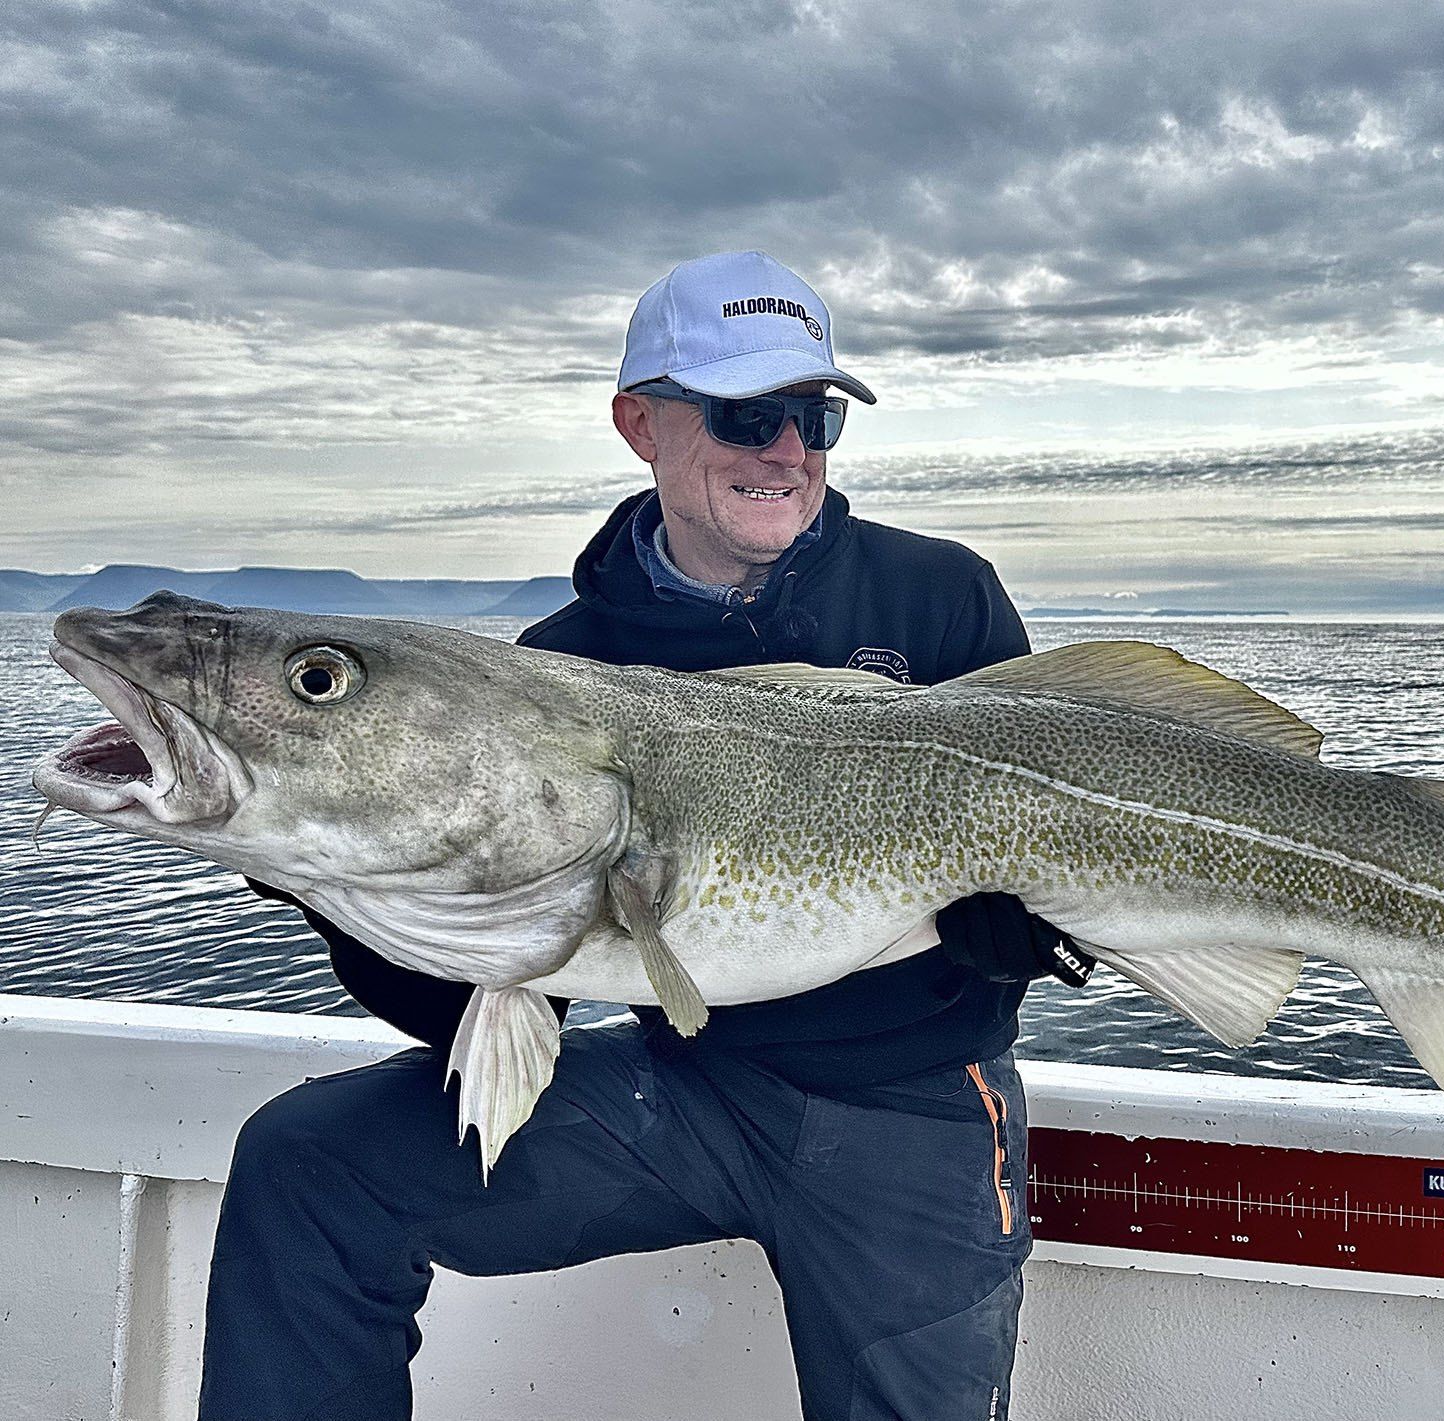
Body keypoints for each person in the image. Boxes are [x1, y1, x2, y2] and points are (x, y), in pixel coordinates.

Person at [199, 251, 1093, 1421]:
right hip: (682, 1089)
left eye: (815, 416)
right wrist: (332, 872)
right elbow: (502, 990)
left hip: (912, 1109)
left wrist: (1027, 930)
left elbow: (1080, 832)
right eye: (748, 413)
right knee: (308, 1162)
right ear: (641, 425)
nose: (788, 450)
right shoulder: (554, 664)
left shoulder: (940, 597)